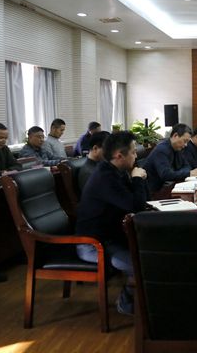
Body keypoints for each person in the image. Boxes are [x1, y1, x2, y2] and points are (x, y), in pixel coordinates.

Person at [75, 131, 147, 316]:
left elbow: (139, 201)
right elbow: (136, 206)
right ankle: (126, 302)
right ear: (119, 155)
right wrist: (137, 179)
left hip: (111, 237)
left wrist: (136, 179)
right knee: (141, 264)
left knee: (150, 252)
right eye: (133, 152)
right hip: (93, 244)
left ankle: (145, 301)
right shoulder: (105, 178)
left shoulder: (115, 172)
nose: (136, 155)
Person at [143, 123, 197, 193]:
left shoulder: (177, 148)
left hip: (169, 186)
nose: (186, 145)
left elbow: (187, 166)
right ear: (175, 135)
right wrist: (188, 173)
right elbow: (166, 174)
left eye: (187, 142)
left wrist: (182, 172)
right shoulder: (161, 150)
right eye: (185, 141)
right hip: (155, 191)